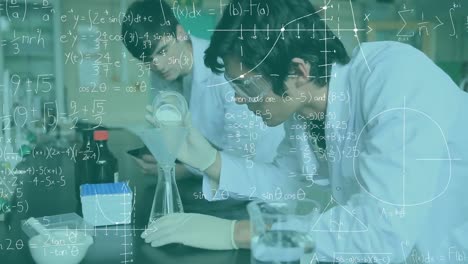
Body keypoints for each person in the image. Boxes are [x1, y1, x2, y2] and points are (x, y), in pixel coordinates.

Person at [141, 0, 468, 262]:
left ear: (299, 70)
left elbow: (379, 231)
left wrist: (242, 233)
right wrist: (210, 160)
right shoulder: (306, 113)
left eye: (247, 85)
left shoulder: (396, 78)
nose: (240, 99)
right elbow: (285, 181)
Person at [121, 1, 284, 220]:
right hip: (215, 179)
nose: (157, 65)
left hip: (257, 191)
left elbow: (243, 154)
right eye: (147, 60)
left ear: (180, 33)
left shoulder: (223, 69)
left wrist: (184, 170)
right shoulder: (164, 73)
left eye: (162, 50)